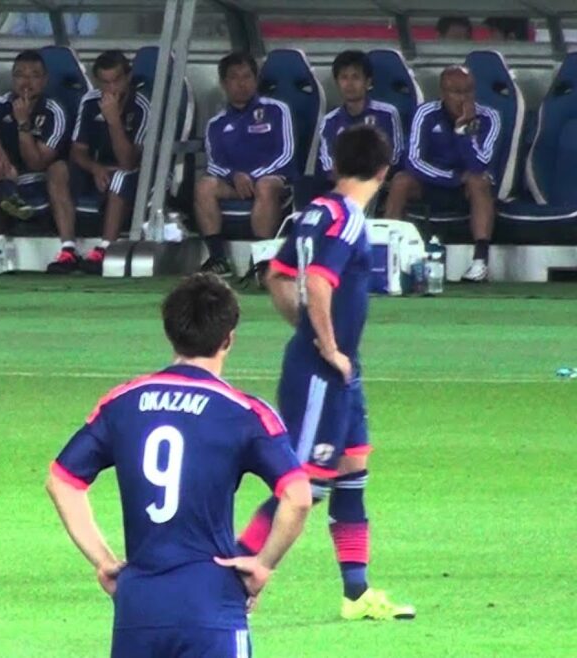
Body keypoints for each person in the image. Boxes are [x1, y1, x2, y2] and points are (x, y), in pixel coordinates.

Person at [47, 272, 313, 657]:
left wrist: (104, 561)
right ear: (228, 339)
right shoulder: (245, 412)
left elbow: (62, 481)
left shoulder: (122, 402)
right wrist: (263, 564)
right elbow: (298, 496)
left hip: (139, 605)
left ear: (170, 332)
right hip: (211, 601)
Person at [241, 124, 416, 620]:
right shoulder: (349, 220)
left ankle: (356, 593)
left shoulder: (316, 211)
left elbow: (277, 275)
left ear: (336, 165)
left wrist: (310, 331)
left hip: (338, 372)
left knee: (352, 472)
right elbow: (317, 282)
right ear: (384, 171)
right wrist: (327, 345)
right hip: (321, 373)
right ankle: (233, 579)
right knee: (304, 488)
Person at [0, 49, 74, 275]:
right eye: (20, 75)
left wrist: (23, 123)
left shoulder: (54, 110)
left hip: (41, 178)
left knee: (55, 169)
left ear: (44, 80)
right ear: (12, 78)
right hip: (5, 174)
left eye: (34, 75)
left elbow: (37, 163)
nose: (26, 82)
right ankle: (7, 195)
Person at [383, 65, 498, 282]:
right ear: (443, 93)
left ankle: (480, 262)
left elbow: (480, 164)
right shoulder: (426, 113)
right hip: (431, 183)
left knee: (480, 180)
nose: (463, 98)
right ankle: (388, 256)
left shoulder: (489, 117)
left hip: (467, 188)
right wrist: (453, 178)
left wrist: (464, 131)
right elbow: (414, 162)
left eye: (468, 91)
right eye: (456, 92)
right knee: (400, 181)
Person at [197, 52, 295, 277]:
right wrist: (234, 176)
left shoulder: (277, 110)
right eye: (234, 77)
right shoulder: (216, 123)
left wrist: (253, 176)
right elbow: (214, 163)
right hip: (235, 184)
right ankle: (218, 259)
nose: (241, 83)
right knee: (204, 186)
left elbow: (286, 154)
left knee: (265, 185)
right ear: (224, 83)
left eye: (247, 76)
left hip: (274, 181)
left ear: (256, 79)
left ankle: (261, 262)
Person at [68, 50, 151, 274]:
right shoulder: (90, 101)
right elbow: (78, 151)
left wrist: (113, 120)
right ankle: (67, 249)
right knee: (59, 171)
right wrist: (95, 168)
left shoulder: (142, 106)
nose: (111, 88)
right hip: (101, 169)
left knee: (121, 177)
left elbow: (129, 162)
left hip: (139, 175)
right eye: (105, 83)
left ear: (128, 77)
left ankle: (106, 248)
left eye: (116, 81)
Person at [317, 50, 403, 188]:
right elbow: (327, 162)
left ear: (368, 82)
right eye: (344, 78)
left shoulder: (387, 113)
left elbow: (395, 155)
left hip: (379, 182)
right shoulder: (329, 120)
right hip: (342, 183)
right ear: (337, 82)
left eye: (356, 77)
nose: (349, 84)